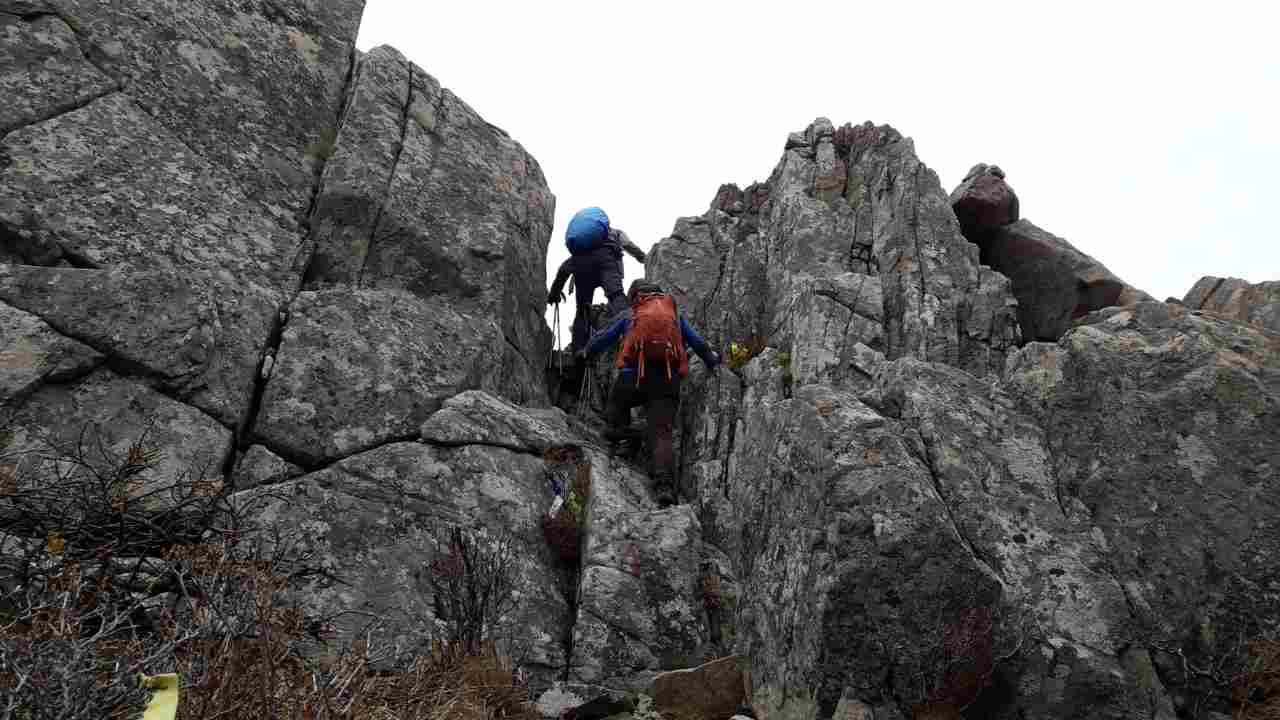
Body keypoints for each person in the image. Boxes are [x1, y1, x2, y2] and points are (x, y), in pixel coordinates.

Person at [580, 280, 720, 507]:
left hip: (632, 379)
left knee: (615, 410)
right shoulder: (674, 315)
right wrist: (713, 362)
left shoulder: (631, 314)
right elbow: (698, 343)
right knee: (662, 433)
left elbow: (602, 338)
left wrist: (587, 352)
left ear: (635, 296)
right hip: (666, 380)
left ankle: (628, 438)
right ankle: (664, 486)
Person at [547, 207, 647, 354]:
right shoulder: (615, 233)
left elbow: (563, 270)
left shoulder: (581, 248)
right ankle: (631, 329)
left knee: (582, 311)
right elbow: (629, 246)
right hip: (606, 262)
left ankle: (578, 350)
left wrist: (554, 294)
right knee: (615, 296)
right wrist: (643, 258)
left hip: (582, 268)